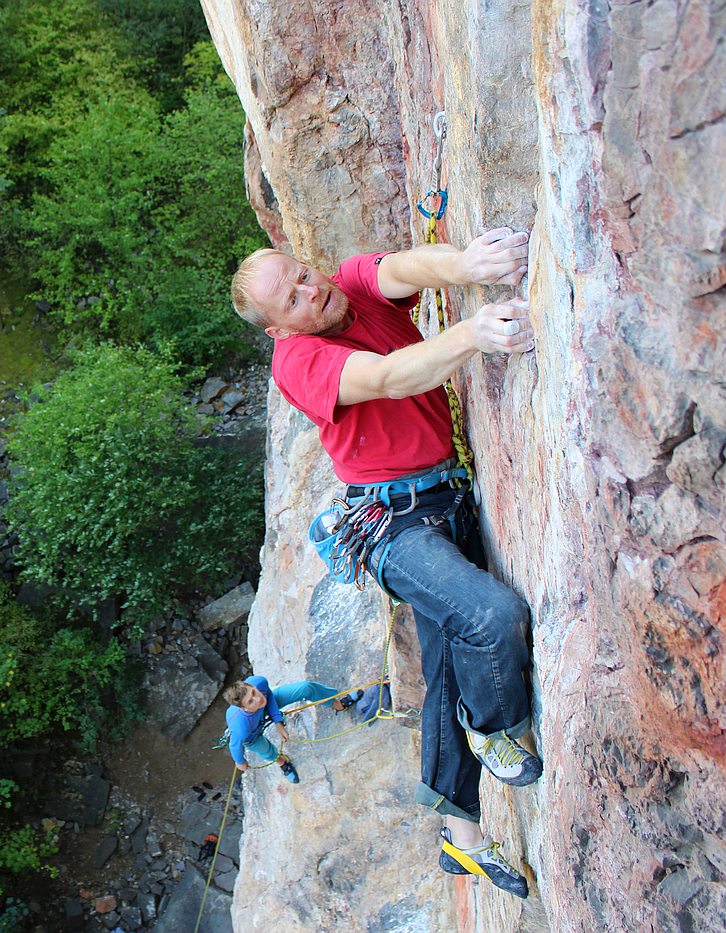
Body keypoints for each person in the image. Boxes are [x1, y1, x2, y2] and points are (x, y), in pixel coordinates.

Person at [229, 228, 540, 899]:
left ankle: (461, 838)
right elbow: (390, 376)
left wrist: (463, 265)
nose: (314, 289)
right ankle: (496, 733)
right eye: (294, 297)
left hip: (444, 498)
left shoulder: (348, 288)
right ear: (278, 328)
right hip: (395, 525)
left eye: (305, 274)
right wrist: (474, 335)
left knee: (449, 668)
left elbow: (404, 266)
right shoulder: (301, 362)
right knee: (491, 616)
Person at [223, 676, 359, 783]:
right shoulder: (240, 728)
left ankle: (337, 705)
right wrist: (240, 762)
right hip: (252, 732)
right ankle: (282, 763)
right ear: (244, 708)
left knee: (306, 688)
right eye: (250, 701)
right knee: (266, 750)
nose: (258, 698)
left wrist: (277, 721)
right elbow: (235, 746)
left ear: (252, 686)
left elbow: (268, 695)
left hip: (266, 707)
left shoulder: (258, 682)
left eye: (254, 692)